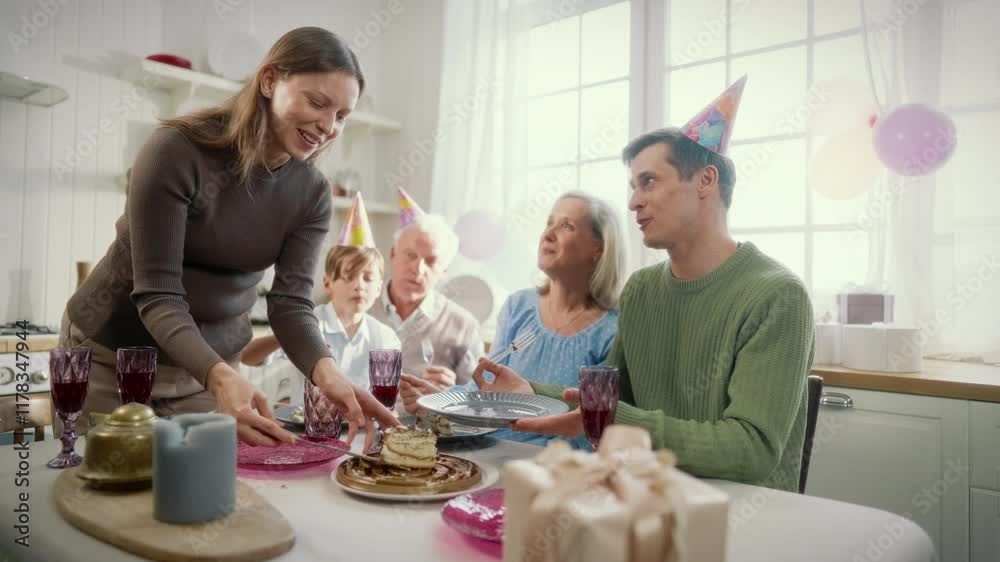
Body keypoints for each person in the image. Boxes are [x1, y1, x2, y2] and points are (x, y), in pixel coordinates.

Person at [471, 77, 816, 492]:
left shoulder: (776, 296)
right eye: (633, 187)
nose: (633, 201)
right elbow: (612, 397)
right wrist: (532, 390)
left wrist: (616, 415)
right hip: (643, 500)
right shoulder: (642, 290)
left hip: (741, 516)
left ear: (706, 181)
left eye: (648, 182)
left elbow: (751, 450)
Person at [60, 27, 398, 448]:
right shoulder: (176, 151)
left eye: (343, 116)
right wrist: (219, 375)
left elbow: (291, 304)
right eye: (317, 103)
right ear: (270, 80)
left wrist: (327, 372)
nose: (329, 126)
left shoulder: (310, 194)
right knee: (103, 494)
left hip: (211, 372)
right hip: (113, 359)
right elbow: (159, 295)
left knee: (195, 499)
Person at [400, 192, 625, 449]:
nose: (548, 234)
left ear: (599, 248)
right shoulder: (519, 307)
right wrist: (437, 400)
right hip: (492, 450)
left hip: (557, 467)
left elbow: (598, 427)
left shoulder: (611, 329)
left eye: (567, 226)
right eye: (548, 223)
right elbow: (485, 390)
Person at [241, 194, 401, 390]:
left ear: (378, 288)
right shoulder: (304, 322)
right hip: (308, 420)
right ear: (328, 283)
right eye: (348, 276)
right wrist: (287, 336)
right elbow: (247, 357)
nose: (359, 285)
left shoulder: (385, 338)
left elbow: (386, 395)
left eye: (368, 278)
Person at [367, 188, 484, 391]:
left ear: (445, 270)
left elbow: (479, 401)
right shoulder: (360, 309)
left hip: (427, 422)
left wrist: (453, 392)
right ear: (392, 254)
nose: (418, 269)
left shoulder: (464, 326)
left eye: (430, 261)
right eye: (410, 255)